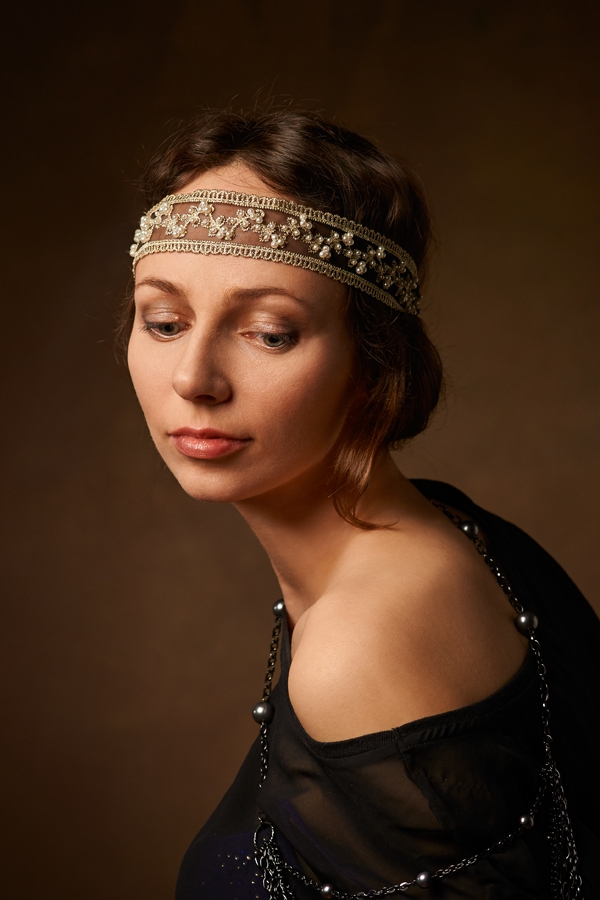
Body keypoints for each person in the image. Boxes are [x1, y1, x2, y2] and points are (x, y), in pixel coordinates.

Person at [123, 109, 600, 899]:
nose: (193, 378)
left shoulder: (366, 639)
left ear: (372, 363)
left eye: (270, 332)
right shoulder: (443, 526)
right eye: (164, 321)